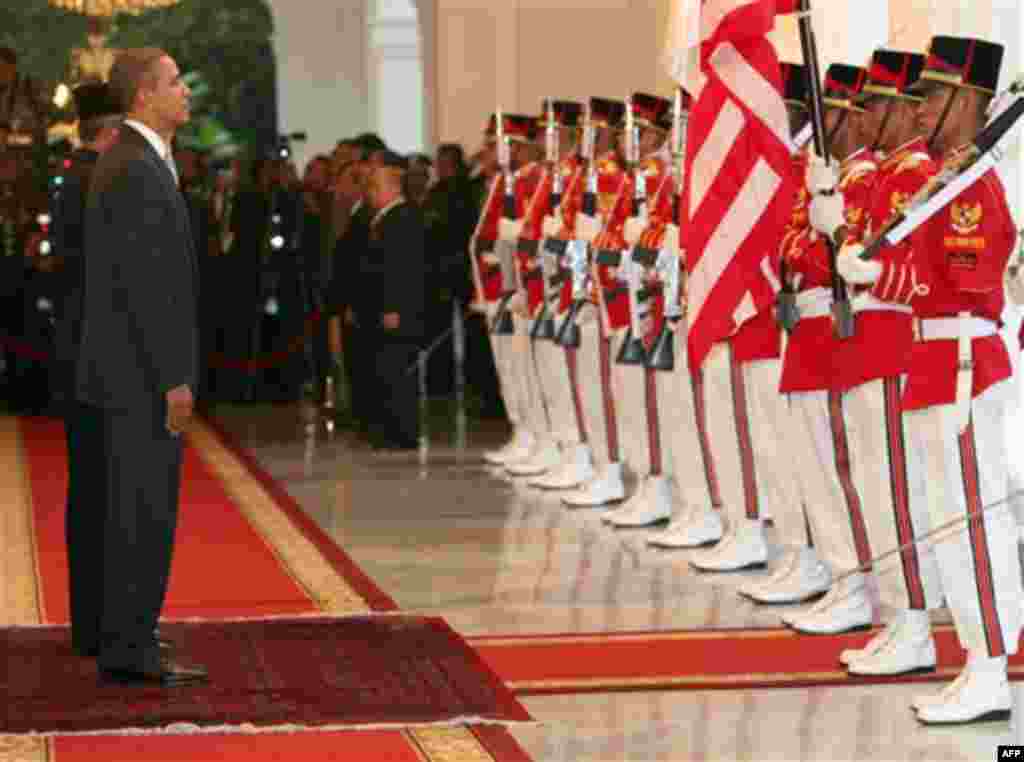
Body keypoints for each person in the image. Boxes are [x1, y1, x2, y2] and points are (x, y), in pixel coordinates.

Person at [75, 47, 206, 686]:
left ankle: (125, 634)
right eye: (176, 83)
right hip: (139, 377)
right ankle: (130, 649)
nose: (186, 92)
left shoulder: (139, 159)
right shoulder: (133, 166)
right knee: (141, 512)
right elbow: (147, 286)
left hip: (127, 371)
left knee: (133, 508)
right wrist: (173, 377)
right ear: (143, 96)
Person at [50, 82, 123, 661]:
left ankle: (93, 623)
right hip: (96, 356)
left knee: (93, 491)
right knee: (103, 492)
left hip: (79, 350)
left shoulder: (75, 176)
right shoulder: (93, 179)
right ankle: (102, 627)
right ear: (110, 127)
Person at [360, 150, 426, 449]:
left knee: (398, 371)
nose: (370, 194)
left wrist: (394, 307)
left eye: (374, 188)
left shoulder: (403, 218)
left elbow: (403, 268)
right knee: (386, 369)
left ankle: (402, 432)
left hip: (397, 310)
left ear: (391, 189)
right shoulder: (388, 218)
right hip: (383, 308)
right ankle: (390, 428)